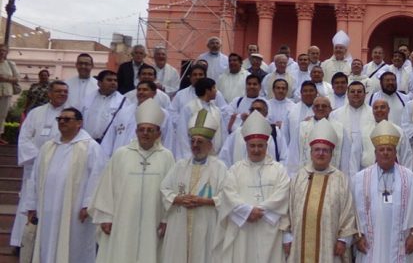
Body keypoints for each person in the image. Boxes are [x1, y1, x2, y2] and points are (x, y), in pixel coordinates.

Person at [90, 99, 175, 263]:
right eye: (142, 129)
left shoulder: (167, 156)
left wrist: (166, 220)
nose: (145, 133)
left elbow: (170, 191)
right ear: (136, 132)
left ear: (159, 134)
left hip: (154, 220)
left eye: (150, 130)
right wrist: (106, 217)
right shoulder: (121, 154)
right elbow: (107, 187)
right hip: (122, 220)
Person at [24, 108, 104, 263]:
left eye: (67, 119)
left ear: (79, 123)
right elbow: (35, 176)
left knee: (73, 247)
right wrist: (32, 204)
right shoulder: (48, 146)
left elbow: (97, 176)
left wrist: (88, 204)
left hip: (75, 210)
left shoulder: (90, 147)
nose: (62, 122)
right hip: (47, 209)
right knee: (47, 244)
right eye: (59, 119)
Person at [215, 111, 291, 263]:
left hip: (271, 229)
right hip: (243, 227)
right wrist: (247, 212)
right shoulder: (235, 170)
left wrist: (258, 211)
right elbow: (228, 195)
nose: (256, 150)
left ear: (266, 145)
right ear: (247, 146)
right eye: (252, 146)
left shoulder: (278, 170)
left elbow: (282, 195)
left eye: (260, 146)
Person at [160, 108, 229, 263]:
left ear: (210, 145)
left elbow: (227, 196)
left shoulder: (219, 167)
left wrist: (204, 201)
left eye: (200, 141)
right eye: (193, 141)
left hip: (207, 222)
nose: (195, 145)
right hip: (179, 222)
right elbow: (164, 189)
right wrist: (178, 199)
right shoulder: (180, 165)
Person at [286, 118, 358, 262]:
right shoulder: (299, 177)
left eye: (325, 150)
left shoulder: (340, 179)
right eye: (317, 150)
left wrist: (343, 240)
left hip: (330, 246)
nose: (321, 154)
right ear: (310, 153)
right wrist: (287, 238)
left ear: (332, 154)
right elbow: (287, 209)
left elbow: (348, 212)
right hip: (300, 243)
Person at [352, 120, 413, 262]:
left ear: (395, 152)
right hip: (370, 244)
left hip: (402, 242)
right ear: (375, 152)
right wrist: (357, 237)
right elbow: (352, 211)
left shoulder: (408, 177)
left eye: (389, 149)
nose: (385, 153)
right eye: (382, 149)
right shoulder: (360, 179)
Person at [13, 81, 69, 250]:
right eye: (58, 91)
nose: (62, 94)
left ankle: (48, 243)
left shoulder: (71, 115)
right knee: (28, 201)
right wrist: (41, 158)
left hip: (60, 167)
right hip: (35, 166)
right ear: (49, 94)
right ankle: (21, 241)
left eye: (65, 92)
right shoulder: (35, 113)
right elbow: (24, 139)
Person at [99, 81, 173, 158]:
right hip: (120, 157)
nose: (141, 92)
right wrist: (105, 157)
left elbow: (168, 139)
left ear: (154, 93)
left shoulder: (162, 114)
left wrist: (165, 158)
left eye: (145, 90)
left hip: (148, 158)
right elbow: (110, 137)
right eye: (139, 90)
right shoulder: (124, 112)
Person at [287, 97, 348, 176]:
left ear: (330, 109)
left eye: (324, 106)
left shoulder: (340, 129)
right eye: (317, 106)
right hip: (306, 176)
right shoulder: (302, 127)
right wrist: (293, 176)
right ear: (313, 109)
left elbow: (345, 158)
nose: (320, 108)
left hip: (332, 176)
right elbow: (293, 155)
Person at [219, 99, 284, 167]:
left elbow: (284, 156)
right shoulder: (238, 133)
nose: (255, 112)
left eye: (258, 109)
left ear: (266, 113)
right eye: (252, 109)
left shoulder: (274, 132)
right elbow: (225, 157)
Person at [330, 81, 375, 179]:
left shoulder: (374, 114)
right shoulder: (335, 114)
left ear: (365, 94)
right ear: (347, 94)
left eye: (359, 91)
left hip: (366, 162)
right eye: (353, 91)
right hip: (343, 160)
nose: (356, 94)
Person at [175, 77, 225, 160]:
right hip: (193, 155)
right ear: (207, 90)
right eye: (213, 88)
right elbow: (182, 134)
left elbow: (223, 133)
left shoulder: (216, 110)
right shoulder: (189, 108)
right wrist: (187, 156)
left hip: (214, 157)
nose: (216, 91)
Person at [359, 99, 413, 172]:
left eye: (382, 107)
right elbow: (355, 157)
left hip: (396, 174)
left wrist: (406, 176)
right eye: (376, 108)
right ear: (372, 111)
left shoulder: (399, 131)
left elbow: (407, 156)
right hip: (369, 175)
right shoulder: (363, 131)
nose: (379, 110)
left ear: (388, 110)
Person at [81, 70, 125, 143]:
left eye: (115, 80)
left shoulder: (123, 101)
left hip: (110, 144)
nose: (113, 83)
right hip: (87, 142)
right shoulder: (87, 100)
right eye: (109, 80)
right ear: (99, 83)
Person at [0, 44, 17, 145]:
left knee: (2, 115)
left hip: (6, 92)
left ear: (6, 53)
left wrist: (5, 78)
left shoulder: (10, 64)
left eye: (3, 51)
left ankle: (0, 136)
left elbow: (17, 78)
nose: (1, 52)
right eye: (0, 50)